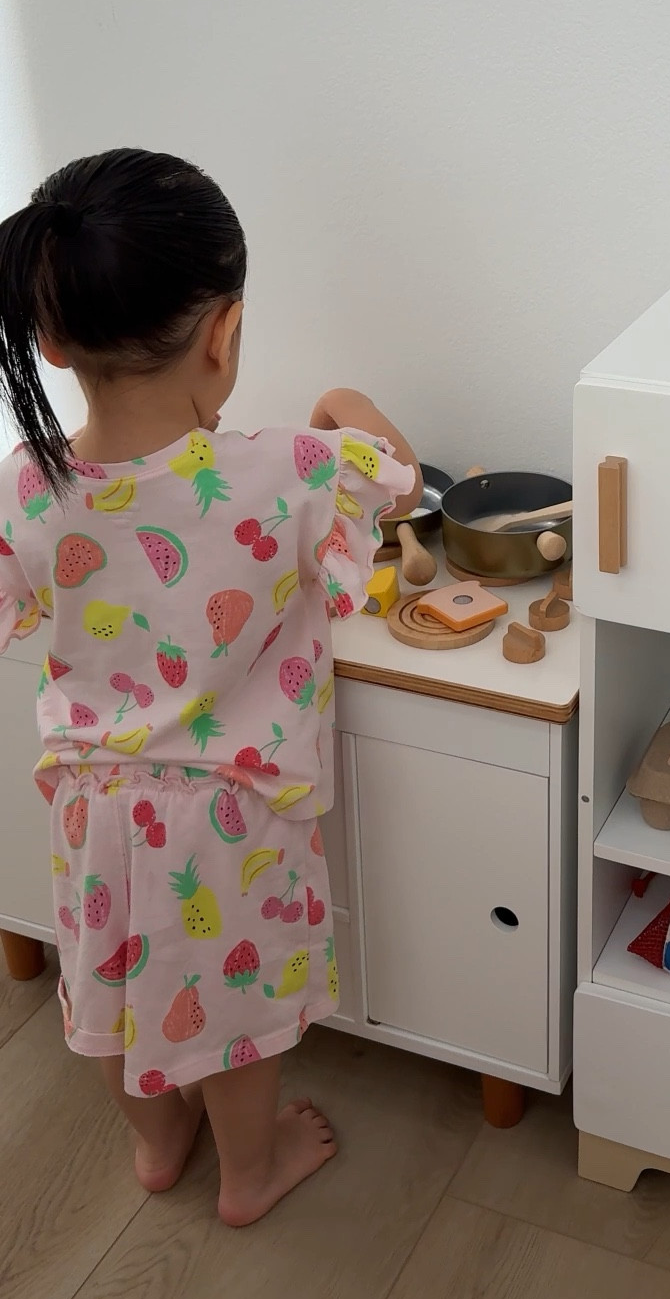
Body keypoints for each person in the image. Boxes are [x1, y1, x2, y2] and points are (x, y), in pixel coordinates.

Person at [0, 149, 420, 1224]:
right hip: (237, 813)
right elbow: (400, 475)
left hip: (92, 806)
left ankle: (155, 1144)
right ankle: (251, 1170)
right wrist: (345, 400)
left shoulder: (26, 485)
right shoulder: (288, 469)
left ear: (48, 342)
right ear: (226, 335)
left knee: (104, 993)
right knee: (239, 1009)